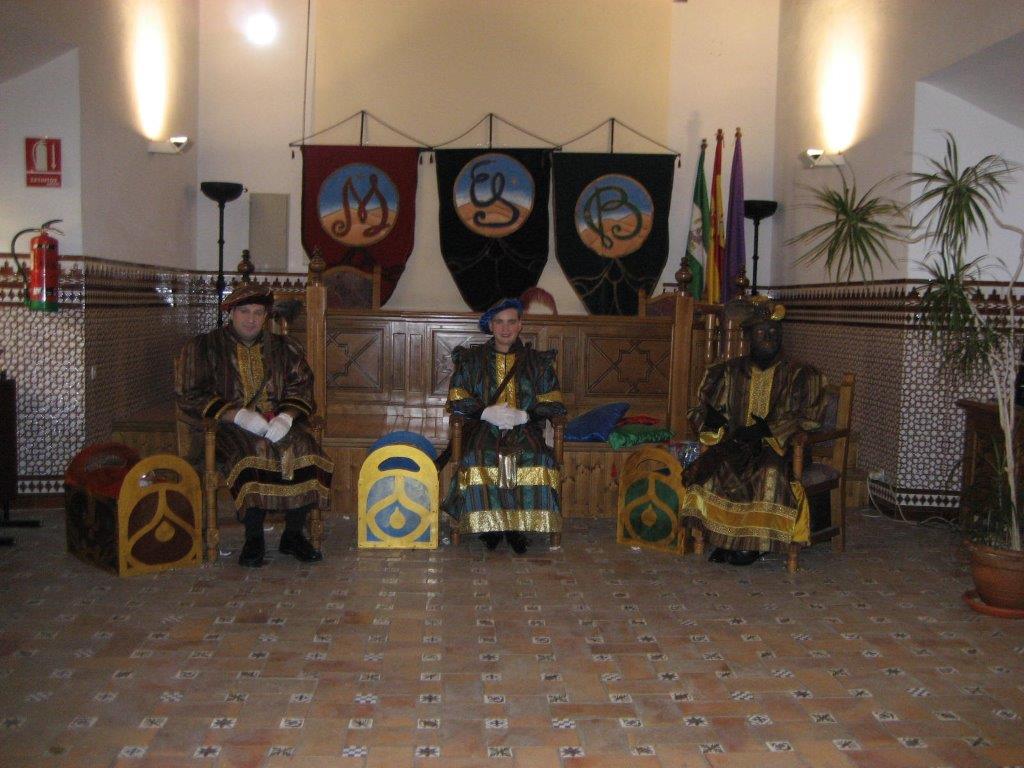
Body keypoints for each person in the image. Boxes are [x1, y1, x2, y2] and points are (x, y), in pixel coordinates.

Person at [176, 283, 334, 567]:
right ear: (231, 312)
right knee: (255, 453)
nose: (251, 319)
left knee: (306, 449)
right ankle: (254, 537)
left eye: (258, 312)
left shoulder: (285, 347)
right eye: (244, 311)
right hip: (227, 429)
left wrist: (287, 417)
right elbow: (190, 395)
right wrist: (236, 415)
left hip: (278, 423)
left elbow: (302, 387)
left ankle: (293, 535)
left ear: (266, 316)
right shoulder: (204, 347)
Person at [681, 296, 825, 565]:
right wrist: (715, 423)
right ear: (749, 337)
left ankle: (757, 545)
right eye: (762, 332)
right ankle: (726, 539)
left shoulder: (801, 374)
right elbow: (702, 409)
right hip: (736, 444)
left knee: (767, 472)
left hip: (780, 449)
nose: (769, 337)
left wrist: (767, 431)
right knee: (716, 467)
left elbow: (810, 417)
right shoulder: (728, 372)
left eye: (774, 332)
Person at [443, 298, 566, 553]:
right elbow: (456, 397)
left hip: (525, 430)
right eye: (499, 322)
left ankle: (516, 528)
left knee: (537, 458)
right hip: (483, 428)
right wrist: (485, 412)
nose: (505, 328)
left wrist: (525, 415)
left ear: (520, 325)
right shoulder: (472, 359)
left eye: (511, 322)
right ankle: (491, 527)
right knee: (479, 456)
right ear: (491, 325)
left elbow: (554, 402)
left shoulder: (537, 362)